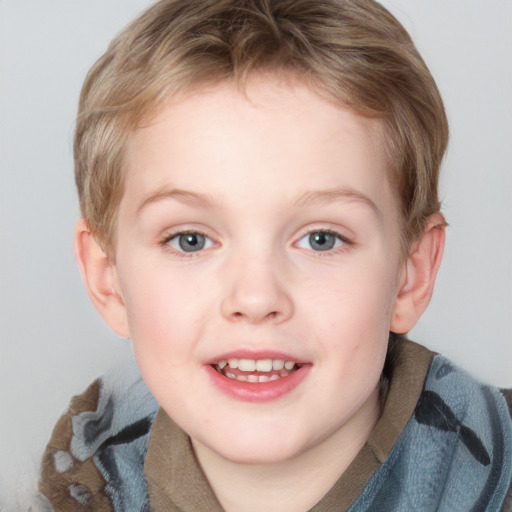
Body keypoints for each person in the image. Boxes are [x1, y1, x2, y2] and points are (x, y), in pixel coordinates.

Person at [36, 0, 512, 510]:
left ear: (410, 275)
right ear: (108, 280)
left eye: (321, 238)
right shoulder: (79, 486)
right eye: (190, 239)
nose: (257, 297)